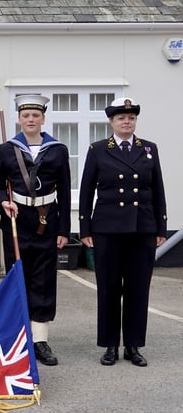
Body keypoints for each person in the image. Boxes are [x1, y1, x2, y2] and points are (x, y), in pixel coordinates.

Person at [79, 97, 167, 367]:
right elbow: (86, 191)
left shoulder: (149, 149)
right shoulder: (98, 150)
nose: (126, 122)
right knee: (108, 288)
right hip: (108, 229)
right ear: (111, 122)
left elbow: (157, 190)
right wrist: (84, 228)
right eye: (121, 118)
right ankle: (109, 345)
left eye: (131, 118)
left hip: (142, 228)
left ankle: (133, 345)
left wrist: (160, 226)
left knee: (138, 289)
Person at [0, 94, 71, 366]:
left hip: (47, 221)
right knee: (17, 279)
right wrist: (3, 200)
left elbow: (64, 187)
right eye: (26, 116)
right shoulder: (6, 149)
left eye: (35, 116)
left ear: (43, 119)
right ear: (18, 118)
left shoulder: (58, 149)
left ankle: (39, 340)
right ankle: (17, 336)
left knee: (44, 281)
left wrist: (64, 230)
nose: (30, 120)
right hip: (17, 220)